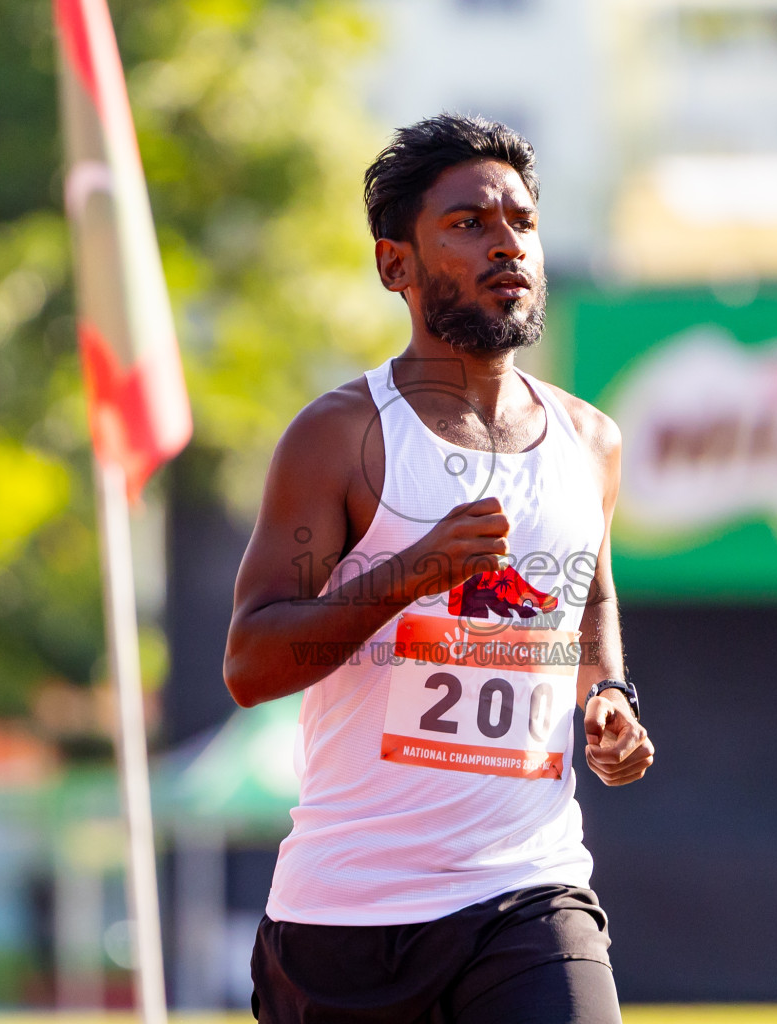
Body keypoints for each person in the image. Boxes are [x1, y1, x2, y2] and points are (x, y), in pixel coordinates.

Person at [224, 114, 654, 1024]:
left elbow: (590, 595)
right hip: (349, 916)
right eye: (468, 223)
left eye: (522, 222)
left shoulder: (591, 442)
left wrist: (608, 694)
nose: (507, 244)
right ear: (396, 266)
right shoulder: (341, 437)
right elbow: (250, 664)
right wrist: (411, 574)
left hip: (529, 890)